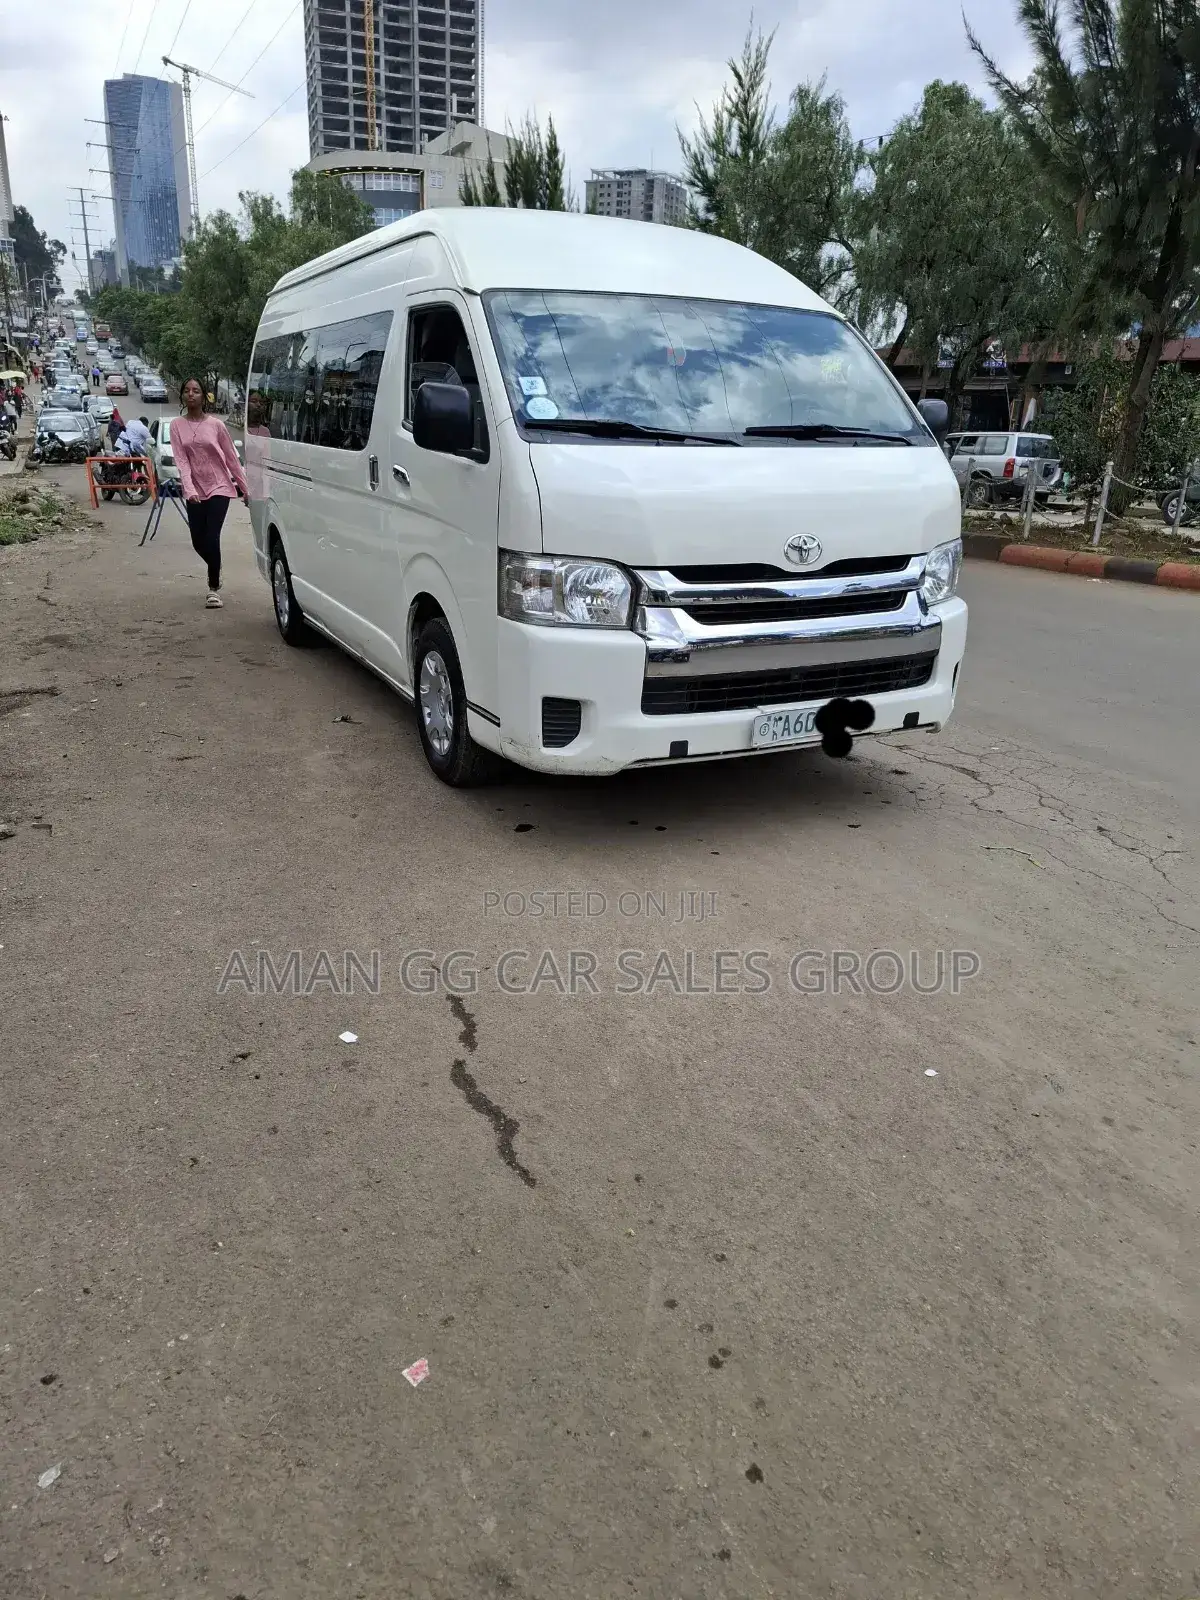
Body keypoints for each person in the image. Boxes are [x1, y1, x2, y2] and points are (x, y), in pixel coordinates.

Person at [170, 378, 248, 609]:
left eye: (196, 391)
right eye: (187, 391)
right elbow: (181, 460)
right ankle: (216, 564)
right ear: (182, 395)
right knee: (198, 541)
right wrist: (189, 488)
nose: (191, 394)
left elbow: (232, 458)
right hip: (195, 488)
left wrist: (245, 489)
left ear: (204, 396)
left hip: (219, 486)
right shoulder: (176, 425)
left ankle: (213, 588)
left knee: (212, 536)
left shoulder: (216, 425)